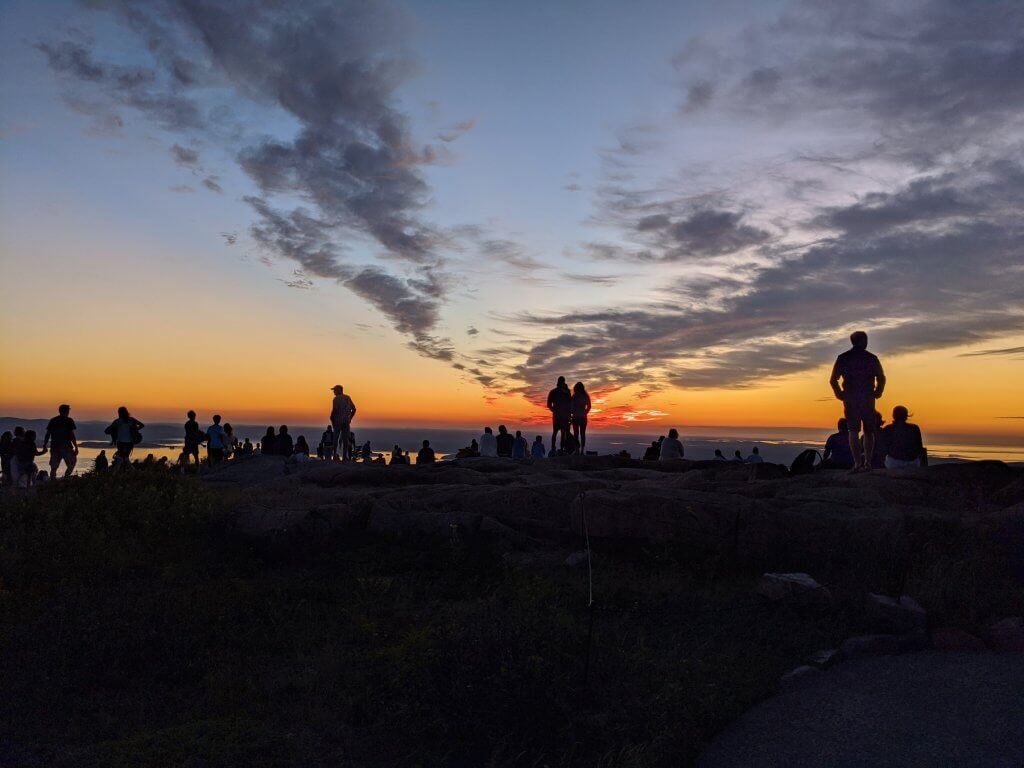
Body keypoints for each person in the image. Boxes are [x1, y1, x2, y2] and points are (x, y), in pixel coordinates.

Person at [829, 331, 886, 473]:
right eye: (865, 340)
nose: (867, 343)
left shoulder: (843, 358)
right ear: (862, 341)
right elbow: (881, 377)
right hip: (867, 397)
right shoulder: (871, 358)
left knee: (853, 430)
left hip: (851, 397)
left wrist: (840, 394)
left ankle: (858, 463)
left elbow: (833, 380)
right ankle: (867, 463)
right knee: (868, 431)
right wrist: (878, 392)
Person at [43, 404, 78, 479]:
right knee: (71, 464)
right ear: (67, 411)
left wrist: (44, 445)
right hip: (66, 447)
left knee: (54, 467)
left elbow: (48, 434)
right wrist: (76, 447)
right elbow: (72, 435)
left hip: (55, 447)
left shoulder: (53, 420)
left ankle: (53, 482)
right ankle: (66, 478)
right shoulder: (69, 420)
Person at [329, 384, 357, 462]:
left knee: (336, 437)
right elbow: (354, 409)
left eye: (335, 390)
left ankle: (334, 455)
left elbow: (335, 410)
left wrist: (331, 418)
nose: (334, 392)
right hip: (346, 421)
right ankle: (344, 456)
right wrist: (350, 418)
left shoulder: (336, 399)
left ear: (339, 390)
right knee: (345, 439)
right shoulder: (348, 398)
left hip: (337, 421)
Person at [547, 376, 572, 453]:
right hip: (564, 416)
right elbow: (570, 403)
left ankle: (553, 448)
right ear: (564, 382)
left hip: (557, 415)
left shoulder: (553, 391)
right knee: (563, 433)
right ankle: (561, 449)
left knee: (555, 432)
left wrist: (554, 410)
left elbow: (548, 404)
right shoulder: (567, 392)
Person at [571, 382, 592, 453]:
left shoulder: (574, 396)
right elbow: (589, 406)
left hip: (575, 417)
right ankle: (582, 450)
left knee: (576, 434)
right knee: (582, 433)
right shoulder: (586, 396)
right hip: (583, 417)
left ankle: (577, 449)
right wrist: (585, 412)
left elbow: (571, 407)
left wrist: (572, 413)